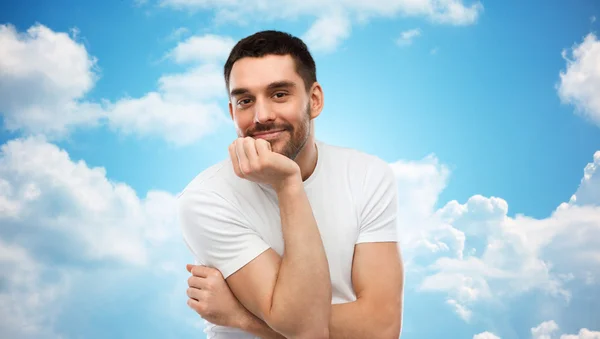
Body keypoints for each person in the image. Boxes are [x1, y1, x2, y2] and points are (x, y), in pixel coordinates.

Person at [177, 30, 404, 339]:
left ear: (314, 100)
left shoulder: (367, 174)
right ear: (232, 112)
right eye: (245, 101)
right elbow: (305, 328)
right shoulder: (206, 198)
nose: (261, 115)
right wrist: (288, 184)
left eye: (279, 94)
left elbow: (381, 328)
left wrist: (240, 317)